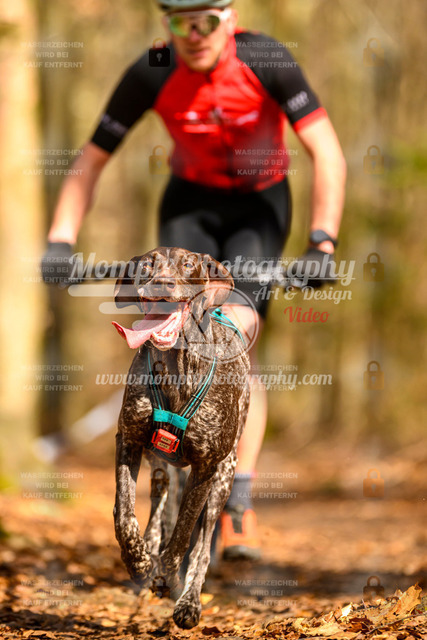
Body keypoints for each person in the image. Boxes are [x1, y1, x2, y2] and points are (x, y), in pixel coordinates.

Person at [42, 0, 346, 560]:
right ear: (168, 25)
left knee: (234, 337)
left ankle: (237, 500)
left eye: (207, 20)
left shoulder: (266, 58)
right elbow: (92, 157)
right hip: (189, 207)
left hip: (259, 207)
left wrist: (322, 241)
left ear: (230, 19)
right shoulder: (152, 70)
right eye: (182, 22)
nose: (195, 34)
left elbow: (325, 149)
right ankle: (173, 472)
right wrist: (61, 239)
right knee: (172, 335)